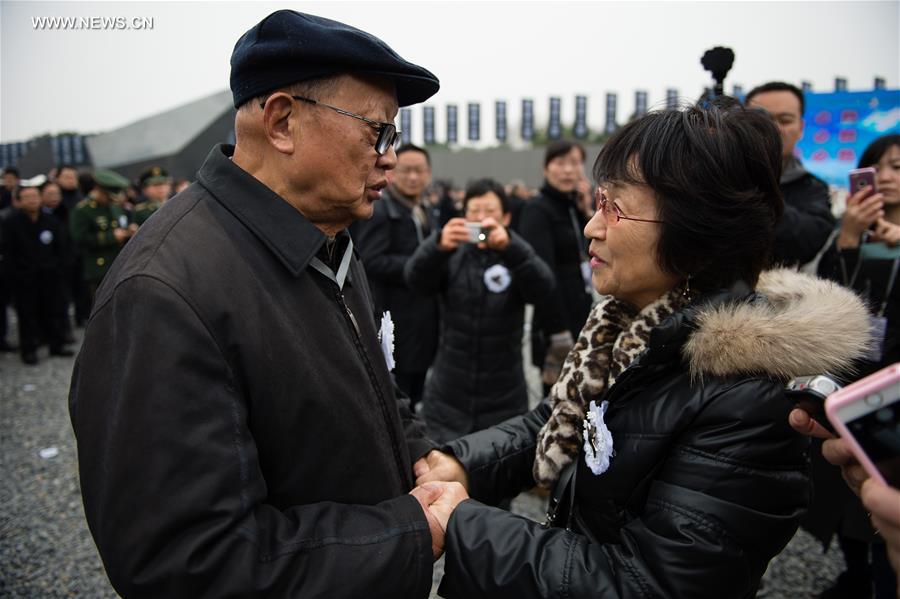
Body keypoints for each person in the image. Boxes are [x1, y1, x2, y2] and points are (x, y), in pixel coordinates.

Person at [413, 98, 873, 598]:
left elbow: (652, 585)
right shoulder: (628, 328)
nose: (593, 226)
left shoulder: (747, 396)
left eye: (616, 207)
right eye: (597, 202)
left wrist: (462, 524)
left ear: (696, 229)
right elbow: (559, 419)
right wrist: (458, 463)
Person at [69, 10, 446, 597]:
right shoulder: (163, 294)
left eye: (392, 136)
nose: (391, 157)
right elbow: (189, 564)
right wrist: (406, 531)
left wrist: (420, 453)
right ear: (282, 121)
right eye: (378, 131)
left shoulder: (327, 238)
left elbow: (363, 382)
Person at [803, 134, 900, 599]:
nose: (885, 177)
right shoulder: (852, 230)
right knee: (842, 486)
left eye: (897, 167)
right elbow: (825, 301)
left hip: (893, 385)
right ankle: (856, 572)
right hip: (851, 376)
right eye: (875, 168)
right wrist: (848, 238)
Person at [404, 178, 554, 444]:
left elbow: (544, 289)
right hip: (448, 392)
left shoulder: (515, 254)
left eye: (490, 212)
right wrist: (436, 246)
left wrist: (512, 247)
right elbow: (415, 281)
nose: (482, 219)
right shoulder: (451, 253)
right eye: (474, 212)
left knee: (496, 472)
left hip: (504, 394)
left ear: (506, 217)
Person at [352, 144, 439, 410]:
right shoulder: (381, 210)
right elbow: (370, 259)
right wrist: (421, 264)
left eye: (419, 170)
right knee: (398, 395)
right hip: (396, 318)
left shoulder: (426, 209)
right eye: (406, 170)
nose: (413, 177)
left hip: (424, 317)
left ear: (429, 174)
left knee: (418, 390)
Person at [789, 408, 900, 594]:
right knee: (845, 520)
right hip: (843, 435)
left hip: (885, 446)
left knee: (884, 532)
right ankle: (857, 577)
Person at [519, 140, 593, 394]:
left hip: (579, 313)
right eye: (560, 163)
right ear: (545, 169)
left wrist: (587, 212)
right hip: (556, 324)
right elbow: (540, 276)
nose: (568, 171)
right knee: (557, 401)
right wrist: (558, 331)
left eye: (574, 163)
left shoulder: (572, 206)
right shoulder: (537, 210)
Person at [745, 81, 836, 266]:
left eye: (785, 120)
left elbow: (806, 245)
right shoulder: (717, 175)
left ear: (801, 128)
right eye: (762, 120)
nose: (773, 129)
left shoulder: (813, 188)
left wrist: (755, 184)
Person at [1, 185, 72, 364]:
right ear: (18, 201)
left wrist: (58, 268)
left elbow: (60, 247)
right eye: (27, 197)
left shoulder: (50, 220)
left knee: (53, 311)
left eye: (35, 196)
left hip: (50, 276)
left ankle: (56, 344)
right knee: (27, 316)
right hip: (24, 279)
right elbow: (8, 252)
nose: (32, 200)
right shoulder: (11, 223)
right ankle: (29, 350)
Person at [69, 169, 133, 305]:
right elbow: (80, 239)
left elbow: (120, 224)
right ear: (98, 190)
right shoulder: (83, 210)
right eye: (108, 196)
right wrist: (111, 237)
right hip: (99, 269)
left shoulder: (114, 207)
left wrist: (128, 232)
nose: (111, 200)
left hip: (119, 264)